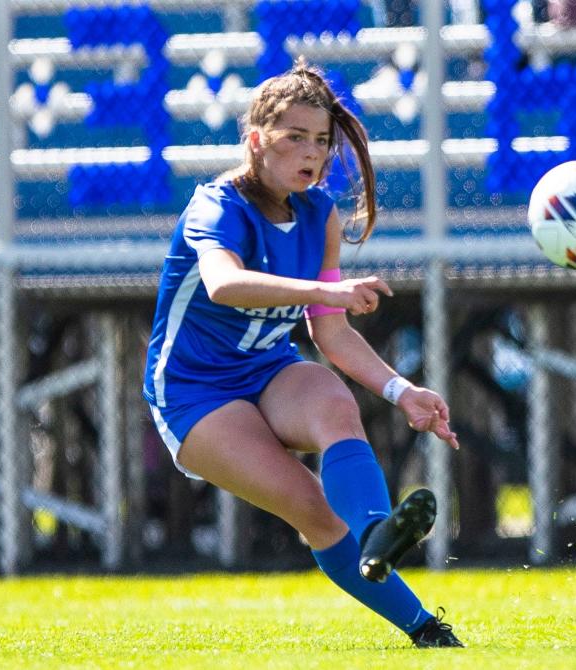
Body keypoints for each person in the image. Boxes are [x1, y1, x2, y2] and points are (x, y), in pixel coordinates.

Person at [142, 61, 463, 649]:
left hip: (267, 369)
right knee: (314, 510)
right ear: (257, 141)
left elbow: (332, 335)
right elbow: (223, 284)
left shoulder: (320, 214)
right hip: (194, 392)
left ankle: (377, 539)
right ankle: (422, 624)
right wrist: (325, 290)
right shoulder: (217, 207)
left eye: (321, 141)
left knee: (334, 402)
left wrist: (401, 391)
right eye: (296, 138)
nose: (312, 153)